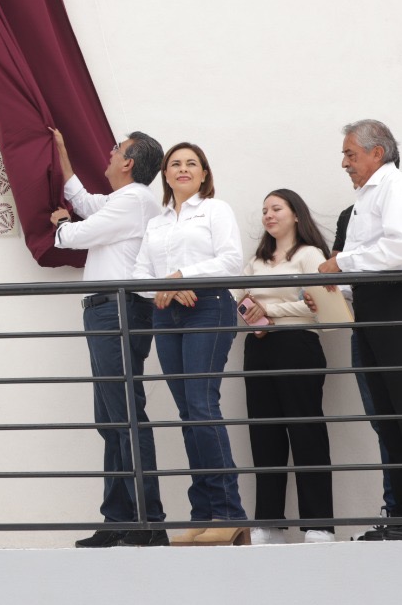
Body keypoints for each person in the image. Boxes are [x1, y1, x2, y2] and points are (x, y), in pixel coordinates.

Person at [318, 120, 402, 539]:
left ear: (377, 152)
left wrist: (340, 264)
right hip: (375, 306)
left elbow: (399, 248)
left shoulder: (400, 188)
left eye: (350, 154)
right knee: (389, 413)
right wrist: (334, 285)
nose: (344, 163)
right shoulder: (366, 199)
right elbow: (369, 260)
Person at [49, 129, 168, 547]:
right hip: (107, 310)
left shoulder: (135, 200)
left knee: (124, 417)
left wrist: (62, 226)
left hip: (116, 310)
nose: (110, 151)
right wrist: (62, 151)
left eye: (116, 148)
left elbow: (80, 233)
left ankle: (147, 521)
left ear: (129, 163)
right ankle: (119, 519)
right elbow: (84, 200)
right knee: (113, 418)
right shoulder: (126, 201)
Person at [130, 142, 248, 545]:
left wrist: (180, 277)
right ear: (165, 174)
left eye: (191, 164)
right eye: (175, 164)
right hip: (168, 313)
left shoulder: (216, 209)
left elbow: (231, 260)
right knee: (187, 412)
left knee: (201, 405)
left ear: (203, 174)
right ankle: (203, 514)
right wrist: (165, 289)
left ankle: (229, 513)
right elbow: (140, 274)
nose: (182, 169)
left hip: (208, 307)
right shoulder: (157, 222)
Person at [233, 190, 335, 544]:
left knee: (306, 432)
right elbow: (239, 300)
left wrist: (269, 311)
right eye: (264, 210)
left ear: (295, 215)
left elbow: (317, 306)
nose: (268, 215)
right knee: (264, 435)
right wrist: (255, 315)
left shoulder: (310, 255)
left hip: (298, 346)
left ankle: (319, 525)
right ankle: (269, 523)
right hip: (258, 347)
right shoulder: (257, 261)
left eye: (276, 208)